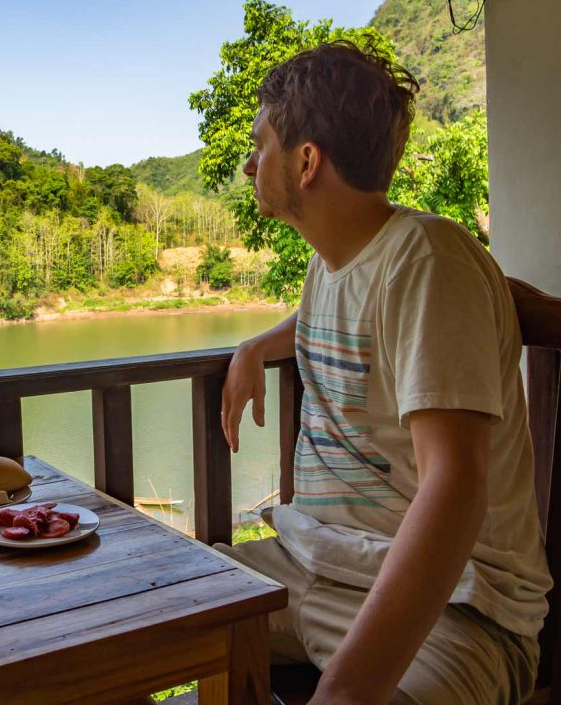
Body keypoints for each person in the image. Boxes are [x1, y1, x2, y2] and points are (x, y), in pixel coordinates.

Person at [216, 40, 551, 705]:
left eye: (262, 143)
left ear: (306, 161)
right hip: (306, 562)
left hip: (455, 609)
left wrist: (344, 693)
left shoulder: (430, 261)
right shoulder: (331, 262)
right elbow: (342, 318)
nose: (251, 162)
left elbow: (454, 484)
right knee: (128, 616)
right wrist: (256, 345)